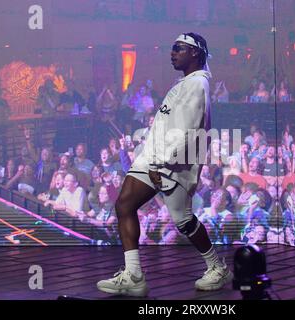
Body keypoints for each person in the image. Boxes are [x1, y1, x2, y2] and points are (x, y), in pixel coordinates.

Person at [97, 33, 232, 297]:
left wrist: (163, 161)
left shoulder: (197, 85)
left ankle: (216, 267)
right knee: (125, 204)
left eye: (178, 49)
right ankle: (134, 275)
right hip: (155, 159)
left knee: (182, 220)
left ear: (195, 53)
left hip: (168, 164)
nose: (172, 53)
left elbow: (191, 128)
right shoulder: (187, 83)